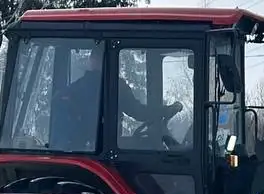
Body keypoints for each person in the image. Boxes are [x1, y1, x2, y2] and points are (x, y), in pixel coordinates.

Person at [49, 45, 184, 151]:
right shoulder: (114, 85)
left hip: (82, 149)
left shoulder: (73, 89)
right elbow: (138, 112)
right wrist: (166, 110)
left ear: (91, 62)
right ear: (108, 61)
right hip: (103, 153)